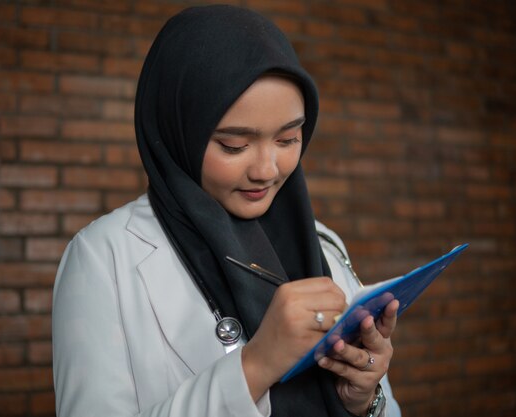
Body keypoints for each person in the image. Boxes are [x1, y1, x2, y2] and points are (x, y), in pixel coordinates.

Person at [52, 5, 402, 417]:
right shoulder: (101, 257)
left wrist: (363, 401)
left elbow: (385, 406)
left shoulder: (322, 242)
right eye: (234, 146)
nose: (267, 170)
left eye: (288, 139)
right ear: (178, 130)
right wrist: (255, 365)